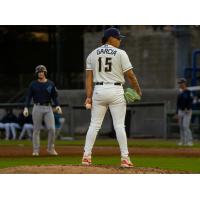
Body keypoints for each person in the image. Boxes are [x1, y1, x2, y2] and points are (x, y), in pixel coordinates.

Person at [82, 27, 142, 167]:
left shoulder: (92, 54)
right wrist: (137, 90)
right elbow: (130, 75)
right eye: (118, 38)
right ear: (111, 39)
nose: (120, 40)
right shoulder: (121, 53)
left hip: (99, 90)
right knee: (119, 125)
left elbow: (89, 79)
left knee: (94, 125)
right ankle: (125, 159)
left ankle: (86, 157)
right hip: (115, 90)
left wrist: (88, 97)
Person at [23, 65, 62, 156]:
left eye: (42, 71)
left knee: (52, 129)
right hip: (37, 107)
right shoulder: (33, 84)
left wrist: (58, 105)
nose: (40, 73)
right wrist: (26, 107)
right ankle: (36, 150)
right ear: (37, 73)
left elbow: (54, 96)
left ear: (45, 72)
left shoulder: (50, 84)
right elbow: (28, 97)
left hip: (48, 107)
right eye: (39, 72)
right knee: (36, 129)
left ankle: (50, 148)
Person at [176, 78, 193, 146]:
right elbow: (178, 104)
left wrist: (188, 108)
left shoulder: (188, 92)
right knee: (181, 126)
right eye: (179, 83)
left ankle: (189, 141)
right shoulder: (180, 92)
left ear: (184, 83)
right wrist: (176, 113)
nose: (180, 84)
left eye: (181, 83)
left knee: (185, 126)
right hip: (181, 111)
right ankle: (182, 141)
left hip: (187, 111)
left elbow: (190, 101)